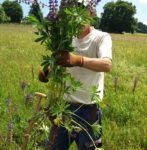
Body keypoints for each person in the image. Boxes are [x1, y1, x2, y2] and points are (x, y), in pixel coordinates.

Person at [38, 1, 112, 150]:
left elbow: (106, 65)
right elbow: (52, 66)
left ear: (91, 13)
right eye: (72, 9)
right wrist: (46, 71)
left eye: (81, 9)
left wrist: (78, 60)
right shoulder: (65, 38)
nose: (77, 13)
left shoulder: (101, 37)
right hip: (63, 108)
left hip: (88, 110)